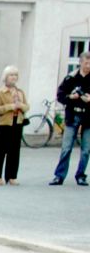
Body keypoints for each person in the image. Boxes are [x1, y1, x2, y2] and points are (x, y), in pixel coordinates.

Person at [50, 51, 90, 186]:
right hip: (73, 115)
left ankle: (81, 175)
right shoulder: (71, 77)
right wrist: (70, 97)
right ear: (80, 62)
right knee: (66, 147)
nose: (88, 65)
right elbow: (60, 95)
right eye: (86, 62)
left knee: (86, 149)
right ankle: (59, 176)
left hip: (88, 117)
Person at [0, 66, 27, 185]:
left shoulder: (20, 92)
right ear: (5, 77)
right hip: (4, 124)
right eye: (11, 75)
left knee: (14, 151)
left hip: (17, 123)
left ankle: (11, 176)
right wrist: (10, 107)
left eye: (15, 75)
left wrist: (21, 106)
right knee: (0, 151)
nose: (14, 78)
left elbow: (27, 106)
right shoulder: (0, 92)